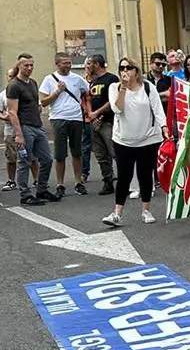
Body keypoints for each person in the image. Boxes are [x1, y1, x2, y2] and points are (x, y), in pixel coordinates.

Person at [102, 57, 169, 226]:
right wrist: (123, 88)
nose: (124, 71)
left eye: (128, 67)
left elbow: (158, 109)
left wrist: (164, 127)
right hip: (123, 139)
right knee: (124, 175)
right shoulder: (114, 87)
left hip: (148, 138)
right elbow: (117, 109)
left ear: (136, 70)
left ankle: (146, 209)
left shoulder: (147, 87)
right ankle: (117, 213)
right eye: (121, 68)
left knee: (145, 174)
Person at [7, 55, 57, 206]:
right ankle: (25, 194)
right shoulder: (14, 85)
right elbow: (12, 112)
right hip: (25, 127)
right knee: (25, 161)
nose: (29, 68)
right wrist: (19, 134)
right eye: (26, 66)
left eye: (31, 65)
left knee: (47, 159)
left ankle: (41, 189)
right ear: (19, 66)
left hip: (37, 126)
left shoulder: (33, 83)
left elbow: (36, 103)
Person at [38, 51, 90, 197]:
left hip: (76, 118)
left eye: (69, 62)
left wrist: (86, 109)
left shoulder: (77, 78)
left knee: (77, 152)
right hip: (58, 118)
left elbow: (87, 91)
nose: (68, 65)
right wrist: (57, 92)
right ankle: (60, 184)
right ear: (57, 64)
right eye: (64, 63)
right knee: (60, 154)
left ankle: (78, 182)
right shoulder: (49, 79)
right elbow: (43, 102)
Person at [84, 54, 119, 196]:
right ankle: (108, 181)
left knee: (115, 152)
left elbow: (113, 101)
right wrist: (91, 114)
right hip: (94, 122)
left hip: (108, 121)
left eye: (90, 64)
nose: (87, 67)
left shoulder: (111, 79)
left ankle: (127, 182)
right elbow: (88, 98)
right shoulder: (92, 81)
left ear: (97, 64)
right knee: (100, 155)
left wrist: (98, 113)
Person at [0, 70, 17, 192]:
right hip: (10, 129)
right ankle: (11, 180)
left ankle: (36, 180)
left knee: (31, 156)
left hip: (26, 126)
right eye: (10, 76)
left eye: (14, 76)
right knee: (11, 156)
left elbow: (37, 107)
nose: (12, 78)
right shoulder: (3, 95)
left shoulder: (25, 89)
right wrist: (4, 117)